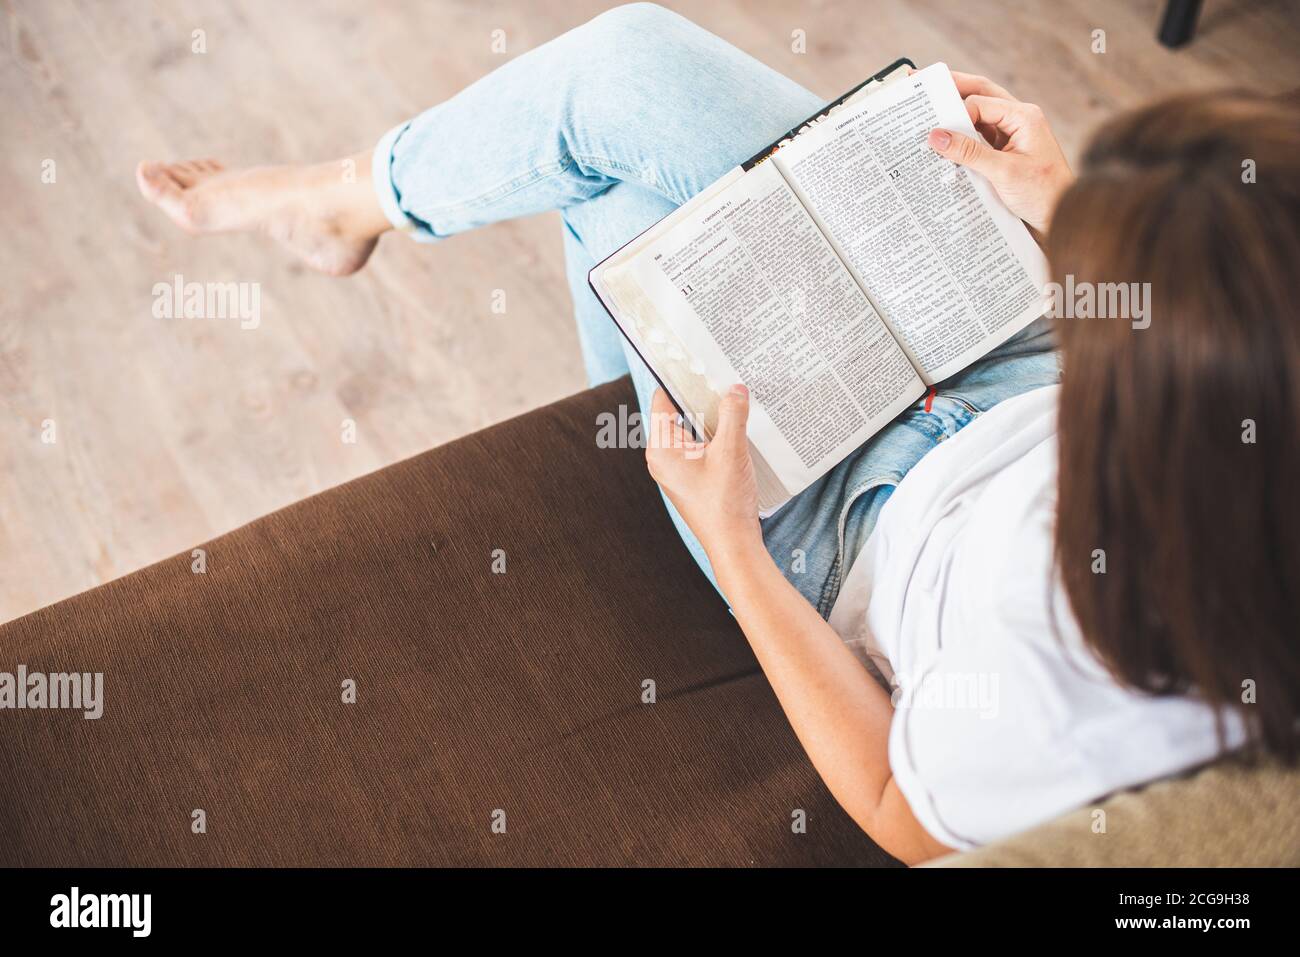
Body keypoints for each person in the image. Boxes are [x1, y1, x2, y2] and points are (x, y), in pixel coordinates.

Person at [136, 4, 1298, 863]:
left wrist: (735, 554)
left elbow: (902, 818)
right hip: (1029, 364)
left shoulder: (1071, 690)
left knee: (616, 206)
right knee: (623, 70)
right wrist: (1061, 208)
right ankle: (347, 202)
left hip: (847, 518)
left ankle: (331, 209)